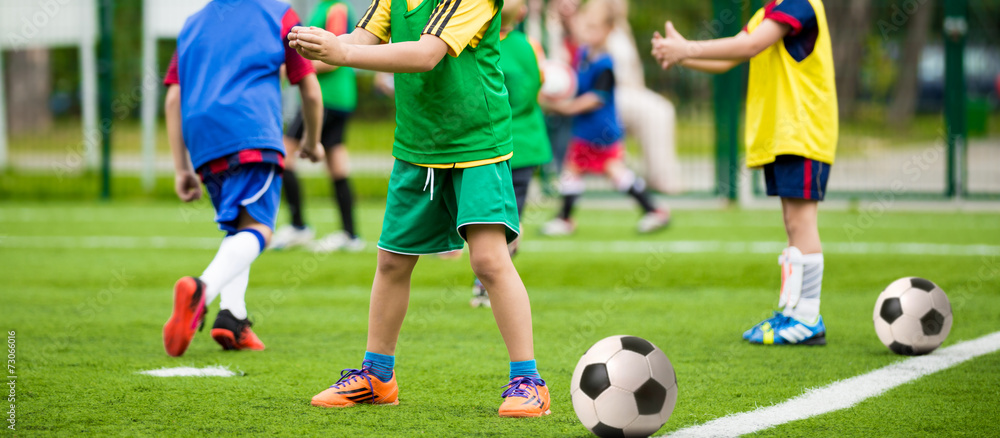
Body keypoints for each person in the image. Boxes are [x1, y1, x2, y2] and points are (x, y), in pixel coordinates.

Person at [288, 0, 551, 417]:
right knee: (391, 262)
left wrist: (343, 53)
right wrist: (323, 44)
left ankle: (528, 381)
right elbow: (362, 39)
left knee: (488, 261)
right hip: (417, 144)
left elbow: (426, 54)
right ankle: (377, 376)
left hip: (477, 144)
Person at [652, 0, 837, 345]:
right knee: (792, 224)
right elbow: (731, 58)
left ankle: (808, 318)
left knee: (801, 223)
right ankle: (794, 313)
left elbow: (748, 45)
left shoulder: (801, 4)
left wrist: (685, 47)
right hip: (785, 134)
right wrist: (681, 56)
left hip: (803, 130)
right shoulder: (769, 11)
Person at [162, 0, 324, 357]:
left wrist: (181, 167)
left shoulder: (192, 23)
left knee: (240, 227)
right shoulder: (279, 13)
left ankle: (232, 318)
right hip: (252, 132)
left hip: (203, 139)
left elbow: (173, 99)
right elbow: (310, 89)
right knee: (261, 228)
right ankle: (201, 290)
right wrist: (313, 142)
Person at [541, 0, 670, 237]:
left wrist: (565, 108)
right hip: (585, 129)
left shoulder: (606, 63)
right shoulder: (582, 54)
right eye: (586, 26)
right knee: (577, 170)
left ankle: (653, 210)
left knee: (613, 173)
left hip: (601, 132)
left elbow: (595, 98)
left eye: (593, 28)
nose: (587, 32)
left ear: (608, 30)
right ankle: (566, 218)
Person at [470, 0, 554, 308]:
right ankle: (490, 282)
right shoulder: (530, 46)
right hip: (525, 141)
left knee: (487, 214)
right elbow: (538, 85)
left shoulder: (474, 40)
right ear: (521, 14)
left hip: (487, 143)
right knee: (511, 216)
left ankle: (484, 281)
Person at [271, 0, 365, 253]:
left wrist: (290, 69)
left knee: (283, 154)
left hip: (327, 99)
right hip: (339, 98)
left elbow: (332, 58)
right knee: (337, 164)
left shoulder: (336, 8)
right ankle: (350, 233)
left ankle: (298, 226)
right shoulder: (326, 6)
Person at [605, 0, 682, 195]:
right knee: (656, 111)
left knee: (663, 108)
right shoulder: (597, 26)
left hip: (632, 91)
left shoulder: (623, 27)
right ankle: (660, 177)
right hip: (612, 92)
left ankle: (660, 173)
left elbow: (634, 66)